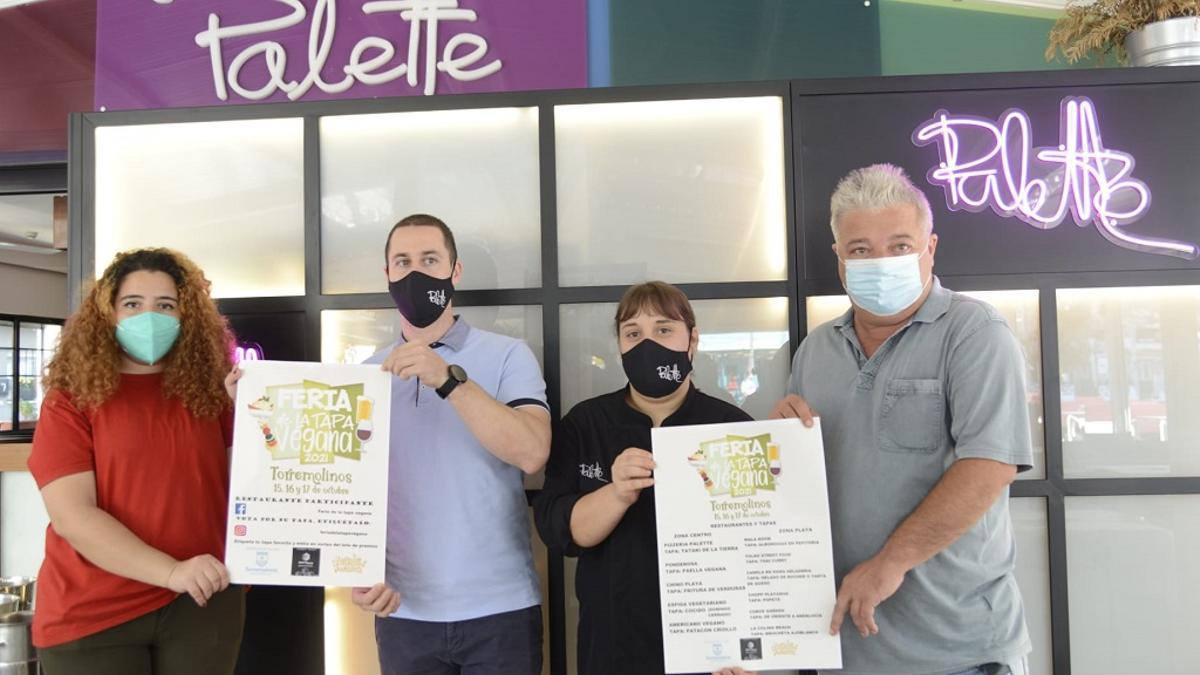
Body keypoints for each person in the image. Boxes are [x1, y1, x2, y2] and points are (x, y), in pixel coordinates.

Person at [771, 164, 1033, 675]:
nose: (881, 262)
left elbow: (990, 464)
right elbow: (805, 481)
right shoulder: (815, 351)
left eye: (899, 245)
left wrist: (890, 562)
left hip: (958, 651)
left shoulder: (974, 333)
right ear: (840, 259)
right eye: (861, 250)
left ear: (930, 247)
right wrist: (779, 439)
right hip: (840, 646)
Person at [351, 214, 552, 675]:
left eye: (430, 259)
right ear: (387, 275)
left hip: (500, 611)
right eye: (402, 262)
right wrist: (355, 571)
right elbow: (346, 491)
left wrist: (448, 380)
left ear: (454, 271)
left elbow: (532, 452)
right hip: (403, 612)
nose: (415, 273)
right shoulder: (366, 375)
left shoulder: (507, 355)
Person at [28, 248, 244, 675]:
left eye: (165, 305)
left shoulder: (216, 394)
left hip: (202, 599)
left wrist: (253, 416)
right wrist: (171, 572)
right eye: (132, 304)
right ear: (107, 313)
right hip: (92, 613)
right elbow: (73, 515)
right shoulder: (70, 400)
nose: (150, 316)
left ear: (187, 316)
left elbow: (253, 487)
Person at [534, 281, 756, 675]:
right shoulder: (586, 424)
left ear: (693, 340)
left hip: (710, 645)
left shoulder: (731, 427)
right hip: (612, 644)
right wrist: (616, 493)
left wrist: (750, 646)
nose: (647, 344)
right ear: (619, 346)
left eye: (664, 329)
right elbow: (561, 531)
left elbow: (759, 545)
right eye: (633, 333)